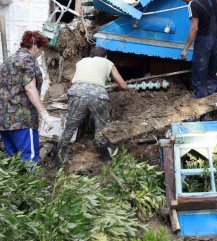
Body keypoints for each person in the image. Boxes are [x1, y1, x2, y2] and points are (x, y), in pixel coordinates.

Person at [55, 46, 128, 163]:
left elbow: (72, 83)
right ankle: (105, 157)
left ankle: (59, 157)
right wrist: (115, 88)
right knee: (101, 127)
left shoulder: (82, 62)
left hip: (77, 92)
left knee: (70, 126)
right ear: (105, 57)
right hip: (97, 95)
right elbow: (123, 85)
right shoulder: (108, 62)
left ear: (91, 56)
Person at [0, 30, 53, 164]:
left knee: (12, 161)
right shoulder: (28, 59)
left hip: (4, 120)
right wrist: (43, 113)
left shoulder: (8, 60)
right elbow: (29, 88)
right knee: (28, 159)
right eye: (40, 51)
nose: (39, 55)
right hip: (22, 119)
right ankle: (31, 184)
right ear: (35, 47)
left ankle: (17, 185)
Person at [179, 0, 217, 98]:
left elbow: (194, 28)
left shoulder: (193, 4)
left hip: (204, 40)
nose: (187, 3)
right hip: (216, 38)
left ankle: (201, 96)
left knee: (199, 69)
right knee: (212, 67)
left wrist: (186, 49)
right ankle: (213, 94)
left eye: (186, 1)